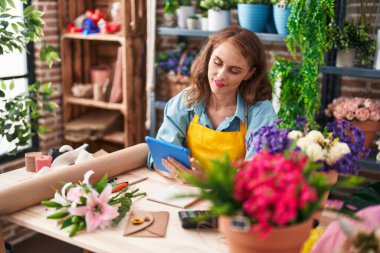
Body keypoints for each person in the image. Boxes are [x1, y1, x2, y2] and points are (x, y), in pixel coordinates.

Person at [148, 25, 276, 181]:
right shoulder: (186, 101)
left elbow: (258, 174)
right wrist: (177, 172)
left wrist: (205, 181)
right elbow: (159, 157)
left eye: (234, 70)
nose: (221, 75)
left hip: (232, 201)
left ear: (249, 73)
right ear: (208, 57)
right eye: (217, 62)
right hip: (184, 194)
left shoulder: (261, 112)